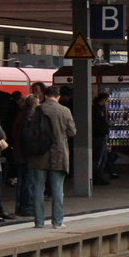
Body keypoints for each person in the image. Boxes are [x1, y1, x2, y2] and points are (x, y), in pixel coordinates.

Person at [28, 86, 77, 227]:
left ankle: (38, 222)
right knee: (57, 188)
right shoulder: (64, 111)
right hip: (58, 153)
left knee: (38, 188)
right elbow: (72, 132)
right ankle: (57, 221)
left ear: (45, 95)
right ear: (58, 96)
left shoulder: (38, 109)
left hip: (39, 153)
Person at [92, 92, 111, 184]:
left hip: (101, 136)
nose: (107, 102)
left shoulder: (100, 110)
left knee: (103, 158)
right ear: (103, 100)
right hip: (98, 137)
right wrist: (104, 131)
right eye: (107, 100)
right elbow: (97, 124)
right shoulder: (97, 110)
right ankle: (97, 177)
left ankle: (99, 176)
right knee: (99, 159)